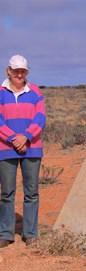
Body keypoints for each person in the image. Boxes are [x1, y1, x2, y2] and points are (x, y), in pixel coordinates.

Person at [0, 55, 46, 247]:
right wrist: (13, 138)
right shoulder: (1, 92)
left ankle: (30, 233)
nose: (19, 74)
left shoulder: (35, 91)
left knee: (31, 192)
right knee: (6, 193)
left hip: (31, 147)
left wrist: (25, 136)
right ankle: (6, 233)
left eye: (23, 71)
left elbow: (40, 117)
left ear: (26, 72)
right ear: (8, 71)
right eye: (16, 70)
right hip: (6, 148)